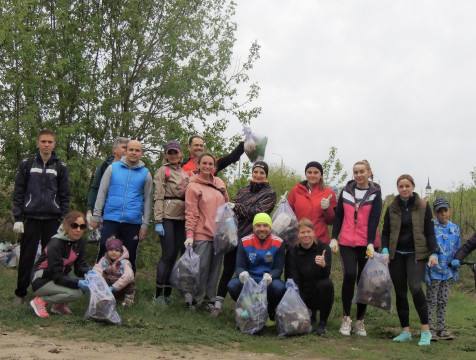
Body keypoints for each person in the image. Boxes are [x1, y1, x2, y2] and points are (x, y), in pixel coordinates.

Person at [12, 129, 70, 305]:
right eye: (43, 141)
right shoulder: (27, 164)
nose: (46, 145)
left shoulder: (60, 167)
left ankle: (47, 294)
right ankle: (20, 293)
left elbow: (65, 195)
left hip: (53, 220)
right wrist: (18, 218)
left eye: (50, 142)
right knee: (27, 257)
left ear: (54, 144)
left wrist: (64, 220)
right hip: (31, 219)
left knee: (51, 259)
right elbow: (19, 192)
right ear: (37, 143)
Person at [211, 161, 276, 315]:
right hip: (234, 236)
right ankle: (218, 304)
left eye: (262, 173)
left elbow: (260, 213)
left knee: (248, 272)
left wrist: (238, 207)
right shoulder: (243, 190)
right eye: (256, 172)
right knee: (228, 269)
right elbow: (233, 209)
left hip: (253, 240)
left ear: (266, 175)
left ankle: (252, 305)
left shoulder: (270, 193)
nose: (258, 175)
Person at [381, 174, 438, 346]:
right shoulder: (392, 206)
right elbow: (385, 232)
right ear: (397, 188)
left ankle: (425, 330)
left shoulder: (422, 205)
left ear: (413, 186)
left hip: (416, 254)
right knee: (400, 291)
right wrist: (384, 249)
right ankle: (405, 331)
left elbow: (429, 231)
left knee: (414, 287)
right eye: (401, 186)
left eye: (407, 186)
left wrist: (434, 252)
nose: (404, 189)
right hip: (396, 254)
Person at [329, 160, 382, 336]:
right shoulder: (346, 192)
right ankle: (346, 318)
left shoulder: (375, 193)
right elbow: (338, 217)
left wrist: (369, 242)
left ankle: (360, 321)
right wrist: (334, 237)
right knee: (349, 275)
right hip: (346, 241)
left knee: (363, 281)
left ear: (369, 172)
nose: (358, 175)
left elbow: (374, 218)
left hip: (367, 244)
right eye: (356, 172)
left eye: (362, 172)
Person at [90, 140, 153, 272]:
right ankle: (98, 287)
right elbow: (102, 192)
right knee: (104, 251)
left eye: (137, 150)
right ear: (126, 151)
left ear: (141, 153)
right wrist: (96, 216)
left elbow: (148, 200)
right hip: (111, 218)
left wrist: (145, 224)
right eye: (131, 149)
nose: (134, 153)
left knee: (129, 256)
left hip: (133, 222)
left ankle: (126, 290)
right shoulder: (113, 168)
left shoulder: (146, 173)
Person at [184, 152, 229, 310]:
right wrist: (190, 234)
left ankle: (209, 301)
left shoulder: (219, 183)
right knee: (200, 269)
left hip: (219, 235)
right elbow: (191, 212)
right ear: (198, 165)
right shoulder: (193, 185)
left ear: (214, 167)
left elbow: (226, 206)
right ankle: (193, 300)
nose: (207, 166)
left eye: (211, 164)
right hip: (201, 233)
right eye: (204, 163)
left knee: (215, 270)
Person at [29, 211, 91, 318]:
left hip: (58, 277)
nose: (78, 229)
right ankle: (40, 301)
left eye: (82, 226)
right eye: (74, 225)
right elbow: (56, 274)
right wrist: (77, 283)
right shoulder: (56, 243)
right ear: (67, 225)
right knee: (76, 293)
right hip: (42, 280)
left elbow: (80, 267)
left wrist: (89, 273)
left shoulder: (80, 241)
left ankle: (59, 306)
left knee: (87, 284)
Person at [228, 213, 286, 322]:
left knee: (279, 287)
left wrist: (271, 276)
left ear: (270, 227)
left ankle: (270, 309)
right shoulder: (244, 241)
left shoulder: (279, 243)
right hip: (249, 279)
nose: (262, 229)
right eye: (258, 226)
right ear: (253, 227)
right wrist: (242, 274)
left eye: (265, 225)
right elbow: (239, 266)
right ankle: (247, 308)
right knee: (233, 285)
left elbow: (278, 269)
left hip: (268, 280)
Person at [153, 140, 189, 305]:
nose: (173, 155)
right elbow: (158, 196)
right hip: (167, 216)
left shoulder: (185, 174)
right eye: (170, 152)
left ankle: (168, 293)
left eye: (176, 152)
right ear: (165, 154)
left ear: (181, 154)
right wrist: (158, 220)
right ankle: (158, 294)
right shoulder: (162, 171)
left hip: (181, 218)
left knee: (175, 255)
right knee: (167, 255)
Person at [288, 218, 334, 335]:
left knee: (327, 284)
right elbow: (291, 276)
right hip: (301, 290)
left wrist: (323, 265)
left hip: (317, 290)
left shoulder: (323, 248)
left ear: (314, 233)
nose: (306, 235)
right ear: (298, 235)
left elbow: (326, 274)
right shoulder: (292, 251)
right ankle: (306, 314)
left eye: (308, 232)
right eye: (302, 232)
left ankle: (322, 323)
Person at [425, 197, 460, 341]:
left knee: (443, 300)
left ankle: (441, 328)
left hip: (448, 272)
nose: (442, 214)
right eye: (439, 212)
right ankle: (429, 329)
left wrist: (457, 267)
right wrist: (424, 270)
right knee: (431, 301)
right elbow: (426, 248)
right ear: (435, 213)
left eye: (445, 211)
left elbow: (458, 249)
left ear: (449, 211)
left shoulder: (455, 229)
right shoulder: (430, 227)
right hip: (433, 272)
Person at [86, 137, 129, 242]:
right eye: (124, 147)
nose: (126, 150)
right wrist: (89, 210)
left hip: (125, 213)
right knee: (107, 246)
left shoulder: (133, 167)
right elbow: (95, 188)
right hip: (106, 212)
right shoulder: (105, 166)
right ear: (115, 149)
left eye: (128, 148)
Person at [288, 161, 337, 244]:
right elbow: (289, 215)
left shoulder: (329, 193)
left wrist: (328, 208)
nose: (312, 175)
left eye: (316, 173)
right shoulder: (296, 190)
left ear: (321, 175)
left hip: (320, 240)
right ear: (306, 174)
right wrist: (283, 206)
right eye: (309, 172)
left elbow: (331, 221)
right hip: (299, 240)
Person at [93, 237, 135, 307]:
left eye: (117, 250)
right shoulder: (104, 260)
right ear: (107, 251)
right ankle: (103, 297)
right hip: (108, 287)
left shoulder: (124, 262)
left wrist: (114, 287)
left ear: (121, 252)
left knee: (130, 282)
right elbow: (97, 269)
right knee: (99, 275)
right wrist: (95, 278)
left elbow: (129, 275)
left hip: (121, 287)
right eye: (111, 250)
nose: (113, 252)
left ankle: (128, 300)